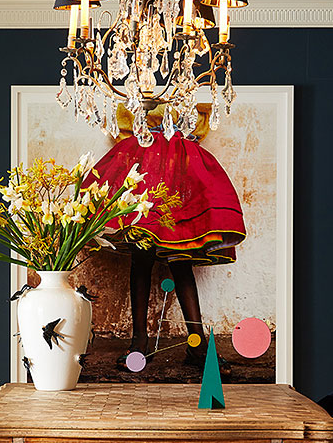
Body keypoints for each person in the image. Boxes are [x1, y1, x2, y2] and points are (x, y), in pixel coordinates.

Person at [90, 104, 246, 368]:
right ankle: (140, 342)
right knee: (142, 255)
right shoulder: (141, 102)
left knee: (180, 259)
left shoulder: (182, 103)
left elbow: (195, 120)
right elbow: (127, 119)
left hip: (175, 172)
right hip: (144, 169)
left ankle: (195, 344)